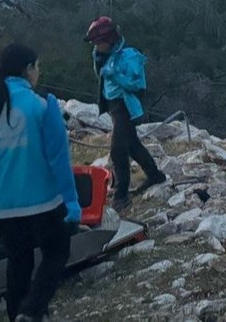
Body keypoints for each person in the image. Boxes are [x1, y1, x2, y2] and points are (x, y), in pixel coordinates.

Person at [0, 43, 81, 322]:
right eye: (37, 66)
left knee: (18, 261)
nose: (39, 72)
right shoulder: (42, 105)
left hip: (5, 205)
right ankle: (32, 310)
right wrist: (72, 203)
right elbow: (58, 159)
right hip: (43, 201)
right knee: (57, 253)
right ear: (28, 70)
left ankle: (16, 315)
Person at [84, 17, 165, 212]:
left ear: (110, 40)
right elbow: (102, 76)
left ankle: (121, 195)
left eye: (99, 42)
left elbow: (137, 84)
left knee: (118, 150)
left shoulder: (129, 56)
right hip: (113, 106)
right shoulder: (103, 56)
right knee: (133, 145)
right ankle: (155, 175)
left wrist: (116, 75)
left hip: (125, 106)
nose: (96, 46)